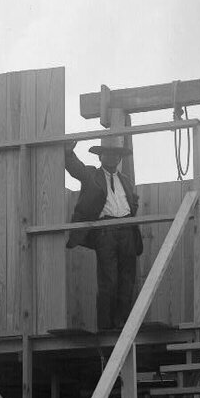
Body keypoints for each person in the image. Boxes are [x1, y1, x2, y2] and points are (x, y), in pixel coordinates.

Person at [64, 138, 141, 330]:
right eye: (107, 154)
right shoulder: (92, 175)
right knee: (108, 280)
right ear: (100, 157)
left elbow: (133, 202)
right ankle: (106, 327)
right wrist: (67, 153)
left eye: (116, 154)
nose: (112, 157)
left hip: (127, 231)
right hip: (105, 231)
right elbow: (76, 169)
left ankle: (122, 324)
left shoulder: (126, 180)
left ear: (119, 158)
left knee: (127, 280)